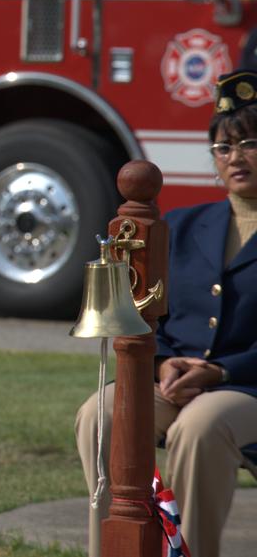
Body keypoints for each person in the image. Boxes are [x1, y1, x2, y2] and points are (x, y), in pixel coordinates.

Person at [74, 69, 257, 557]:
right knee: (101, 413)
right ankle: (109, 548)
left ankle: (191, 552)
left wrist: (219, 370)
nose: (236, 156)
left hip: (246, 386)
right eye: (224, 146)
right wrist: (162, 364)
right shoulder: (181, 223)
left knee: (201, 425)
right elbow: (156, 314)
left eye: (249, 143)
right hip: (173, 381)